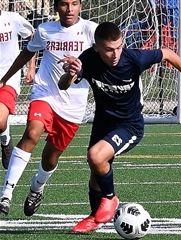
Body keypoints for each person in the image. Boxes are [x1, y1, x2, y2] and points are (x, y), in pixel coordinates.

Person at [58, 22, 181, 233]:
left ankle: (110, 199)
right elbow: (63, 85)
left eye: (118, 47)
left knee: (96, 156)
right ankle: (95, 218)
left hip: (130, 125)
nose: (115, 53)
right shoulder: (87, 59)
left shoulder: (133, 57)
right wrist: (71, 74)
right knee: (96, 171)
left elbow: (167, 53)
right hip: (103, 123)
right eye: (108, 49)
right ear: (97, 47)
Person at [0, 0, 97, 217]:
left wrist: (81, 67)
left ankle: (37, 188)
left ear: (80, 6)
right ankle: (6, 192)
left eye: (74, 4)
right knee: (32, 132)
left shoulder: (90, 30)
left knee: (50, 157)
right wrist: (5, 79)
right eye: (64, 4)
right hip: (44, 93)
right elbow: (26, 53)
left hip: (73, 104)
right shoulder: (45, 30)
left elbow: (108, 55)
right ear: (56, 7)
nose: (69, 9)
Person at [0, 9, 35, 170]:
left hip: (9, 76)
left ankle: (5, 142)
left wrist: (31, 67)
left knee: (0, 120)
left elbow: (31, 38)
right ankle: (5, 137)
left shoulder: (12, 19)